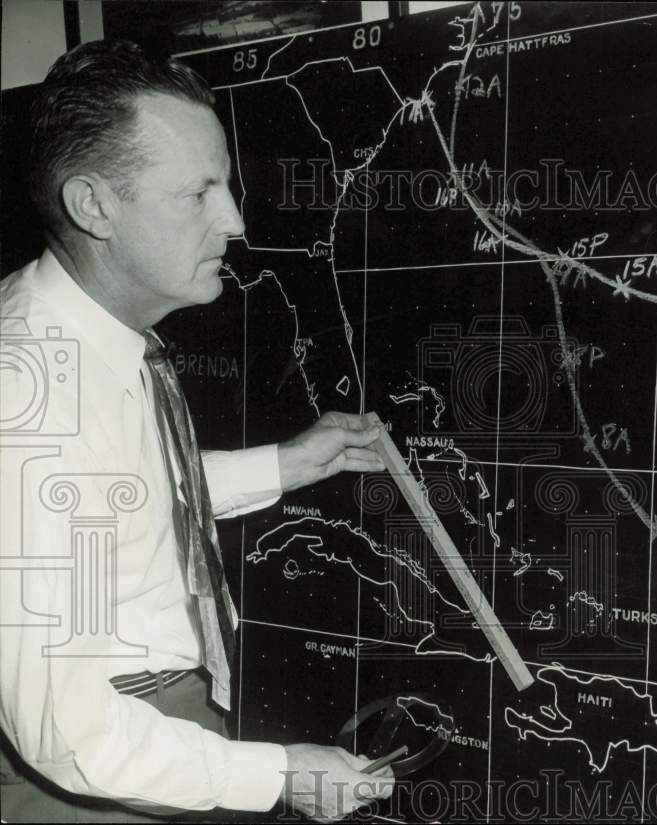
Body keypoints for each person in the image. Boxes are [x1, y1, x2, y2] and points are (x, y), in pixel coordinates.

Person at [0, 40, 393, 822]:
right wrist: (283, 773)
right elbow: (69, 735)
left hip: (145, 735)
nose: (235, 220)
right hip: (106, 766)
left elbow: (110, 499)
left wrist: (287, 464)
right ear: (94, 205)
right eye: (199, 192)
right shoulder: (36, 400)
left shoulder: (79, 337)